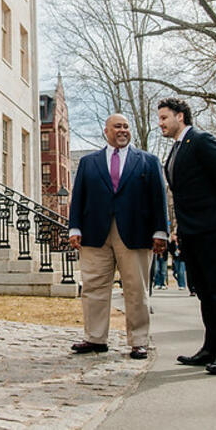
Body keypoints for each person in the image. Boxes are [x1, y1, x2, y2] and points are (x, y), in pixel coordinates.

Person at [68, 114, 169, 360]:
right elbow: (78, 196)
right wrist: (74, 228)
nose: (122, 130)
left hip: (135, 233)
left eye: (126, 126)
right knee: (93, 287)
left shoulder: (148, 161)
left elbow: (159, 198)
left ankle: (139, 341)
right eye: (117, 127)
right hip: (95, 233)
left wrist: (160, 231)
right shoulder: (88, 162)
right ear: (106, 131)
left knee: (136, 288)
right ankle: (95, 338)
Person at [159, 97, 216, 375]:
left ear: (180, 116)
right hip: (190, 231)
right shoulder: (176, 150)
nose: (161, 123)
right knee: (204, 292)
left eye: (164, 117)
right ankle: (211, 348)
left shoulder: (202, 140)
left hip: (212, 228)